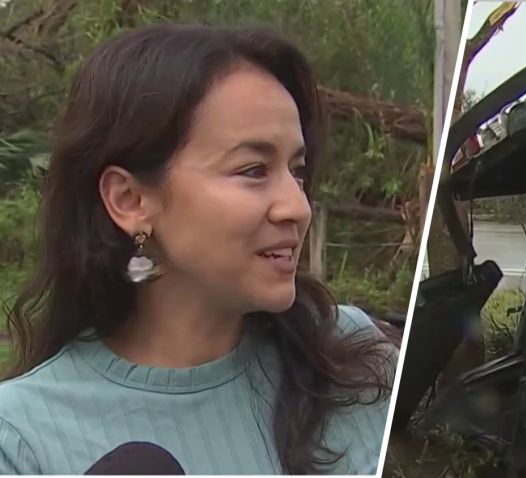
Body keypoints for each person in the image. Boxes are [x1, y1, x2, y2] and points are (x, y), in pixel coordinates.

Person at [0, 24, 397, 475]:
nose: (297, 207)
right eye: (252, 170)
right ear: (129, 200)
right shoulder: (21, 441)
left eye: (297, 170)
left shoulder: (356, 360)